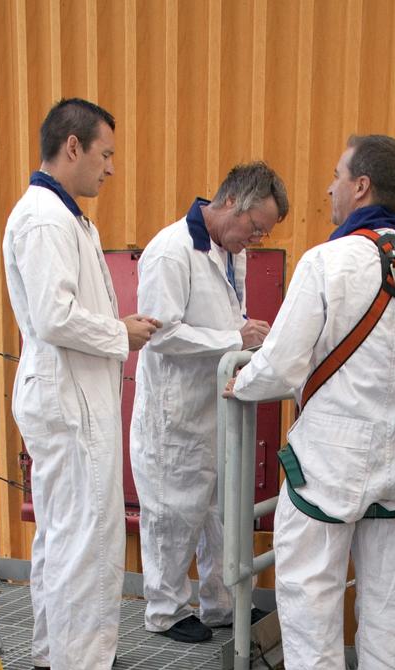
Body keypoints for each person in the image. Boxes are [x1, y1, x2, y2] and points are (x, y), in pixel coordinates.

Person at [228, 135, 395, 670]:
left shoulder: (326, 265)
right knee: (390, 597)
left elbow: (279, 367)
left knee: (310, 593)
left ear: (360, 188)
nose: (328, 189)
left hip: (329, 464)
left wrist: (239, 381)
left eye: (335, 177)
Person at [3, 98, 159, 670]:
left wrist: (118, 331)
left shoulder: (66, 217)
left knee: (61, 531)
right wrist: (122, 332)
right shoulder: (45, 219)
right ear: (73, 146)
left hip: (68, 396)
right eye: (106, 154)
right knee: (84, 536)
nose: (110, 168)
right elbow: (53, 316)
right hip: (69, 401)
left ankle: (55, 650)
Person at [130, 162, 289, 643]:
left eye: (264, 232)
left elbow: (226, 317)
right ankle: (166, 610)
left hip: (216, 407)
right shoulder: (171, 251)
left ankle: (221, 604)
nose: (256, 240)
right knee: (173, 512)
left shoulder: (228, 251)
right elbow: (160, 335)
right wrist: (231, 338)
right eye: (255, 228)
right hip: (175, 412)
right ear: (229, 205)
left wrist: (245, 339)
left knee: (222, 513)